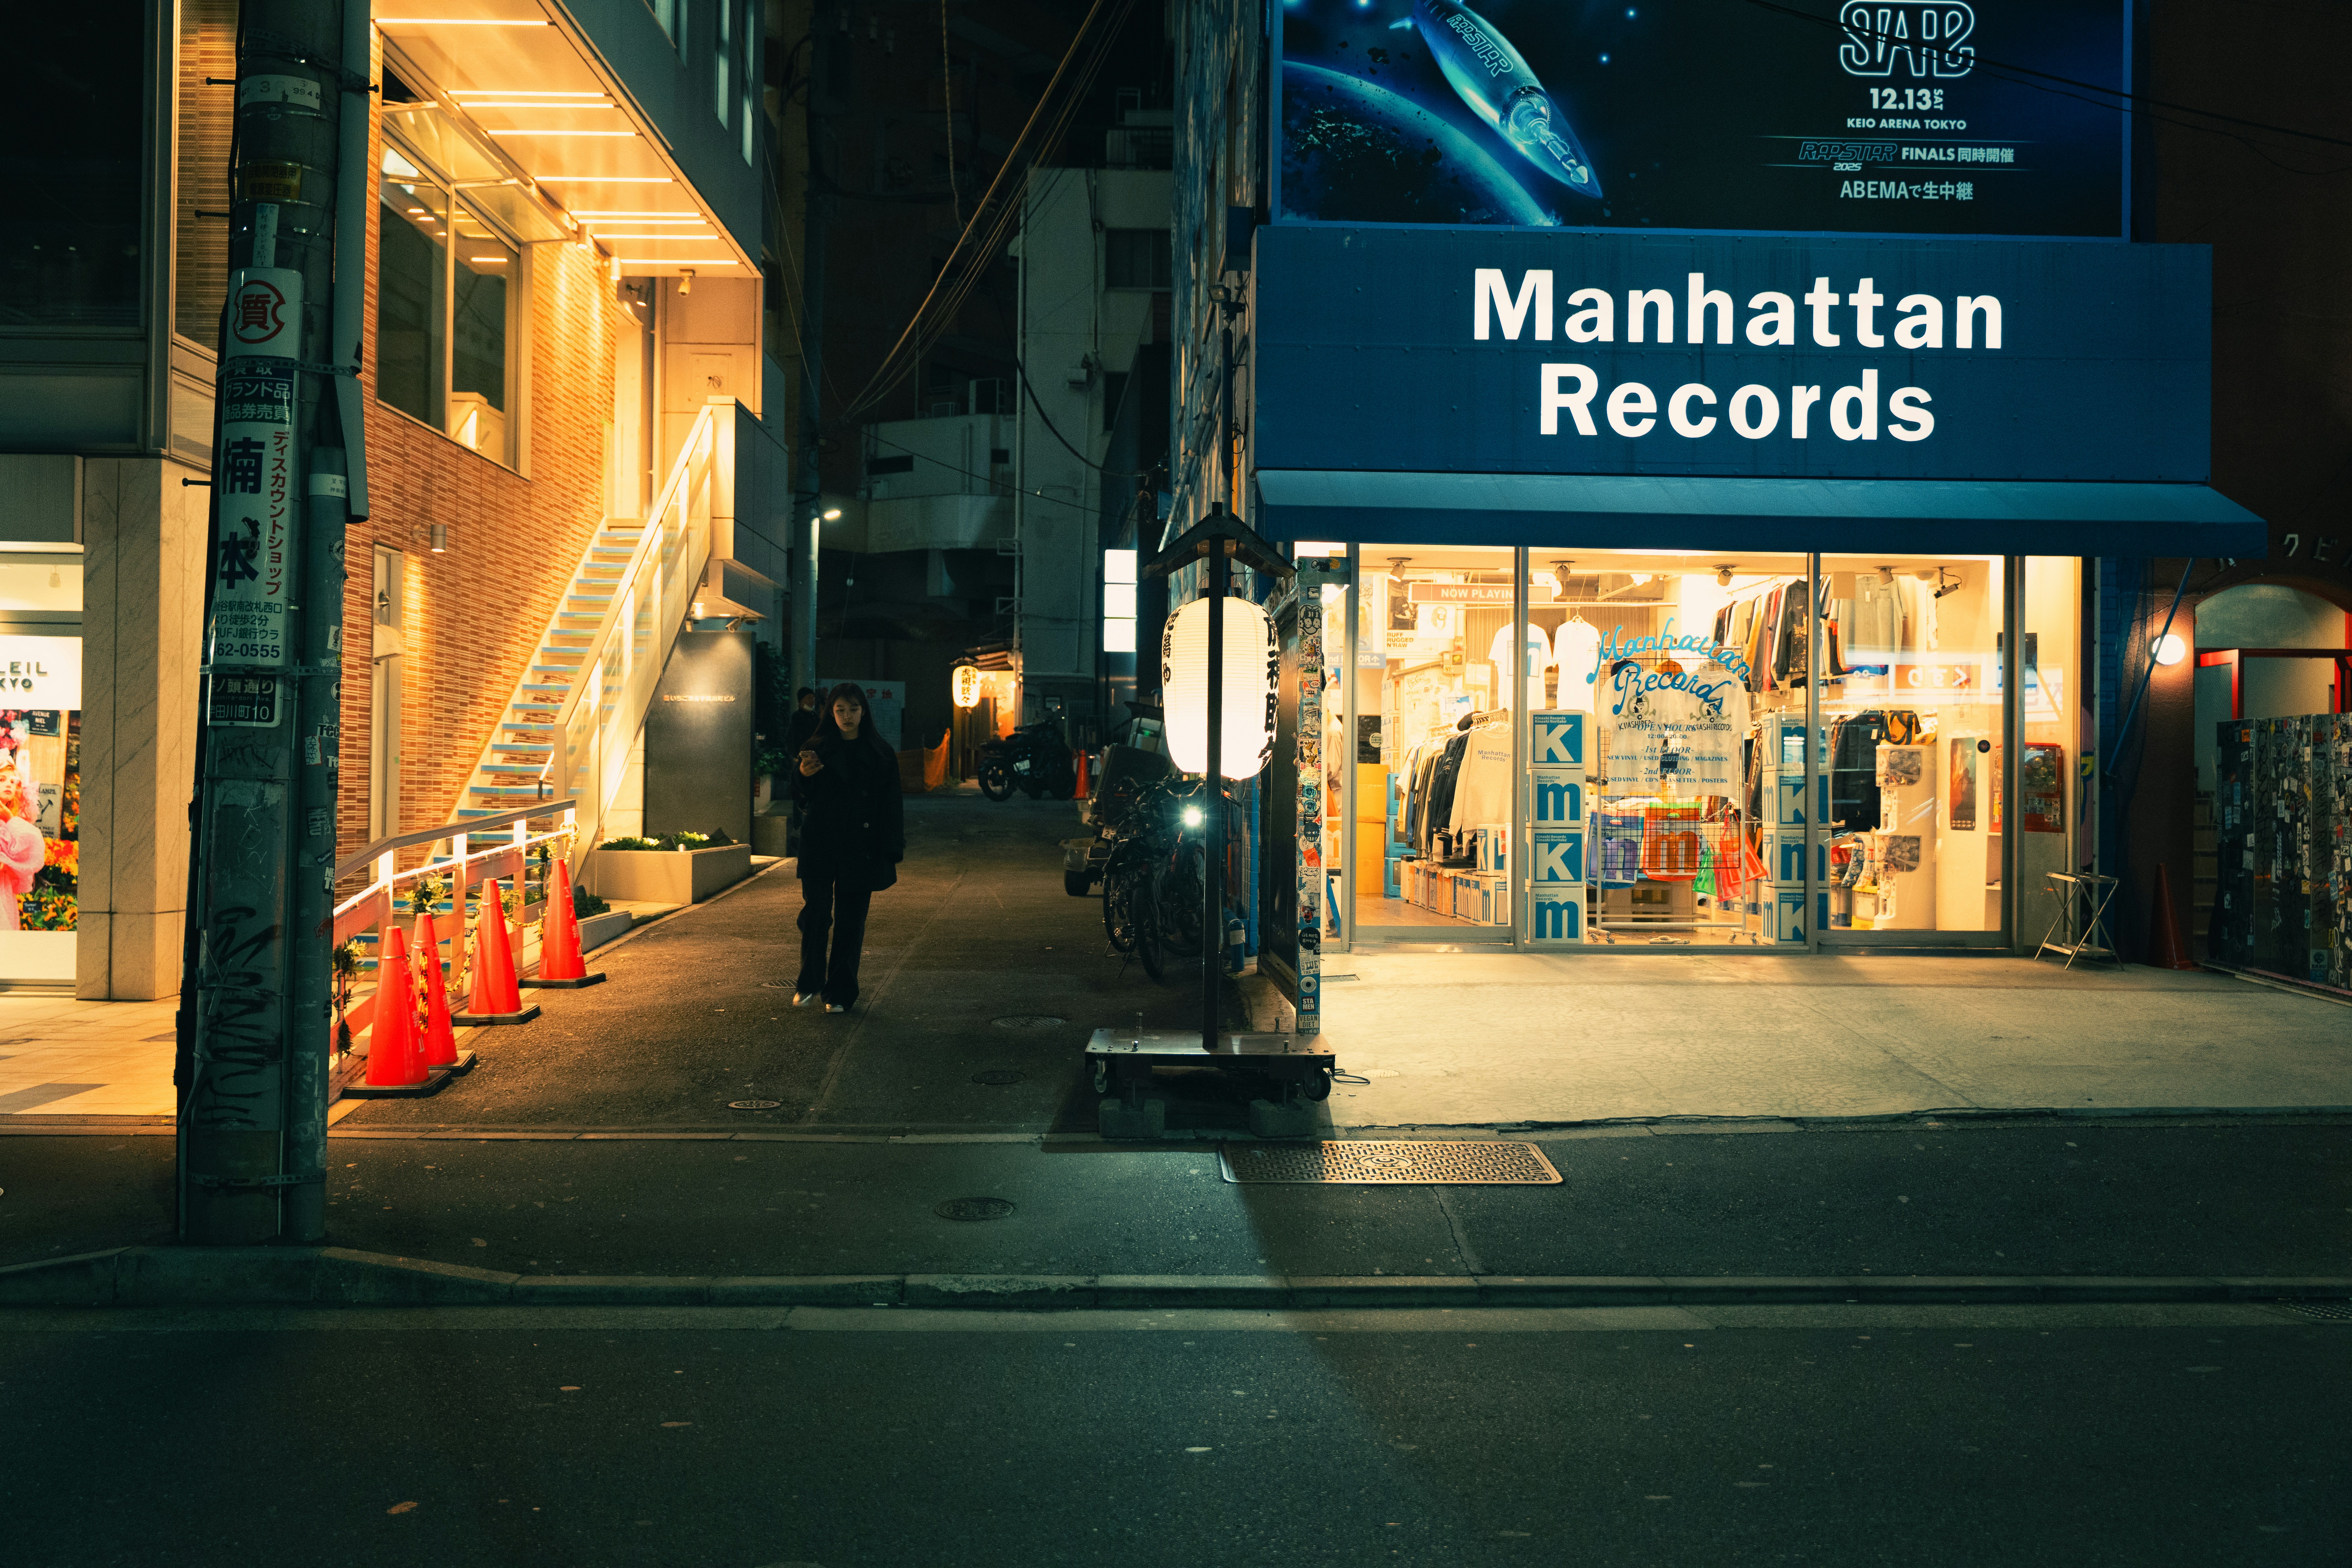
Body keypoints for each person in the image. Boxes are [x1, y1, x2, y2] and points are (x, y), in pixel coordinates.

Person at [787, 683, 903, 1012]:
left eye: (853, 709)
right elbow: (800, 794)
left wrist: (892, 846)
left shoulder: (880, 753)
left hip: (861, 847)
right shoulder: (817, 747)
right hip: (821, 843)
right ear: (830, 713)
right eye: (840, 710)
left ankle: (839, 993)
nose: (847, 716)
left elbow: (892, 804)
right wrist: (803, 774)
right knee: (816, 915)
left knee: (851, 922)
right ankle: (809, 982)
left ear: (864, 712)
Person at [0, 757, 45, 932]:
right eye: (1, 780)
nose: (9, 785)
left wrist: (10, 819)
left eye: (13, 781)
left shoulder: (10, 821)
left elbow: (31, 853)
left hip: (4, 891)